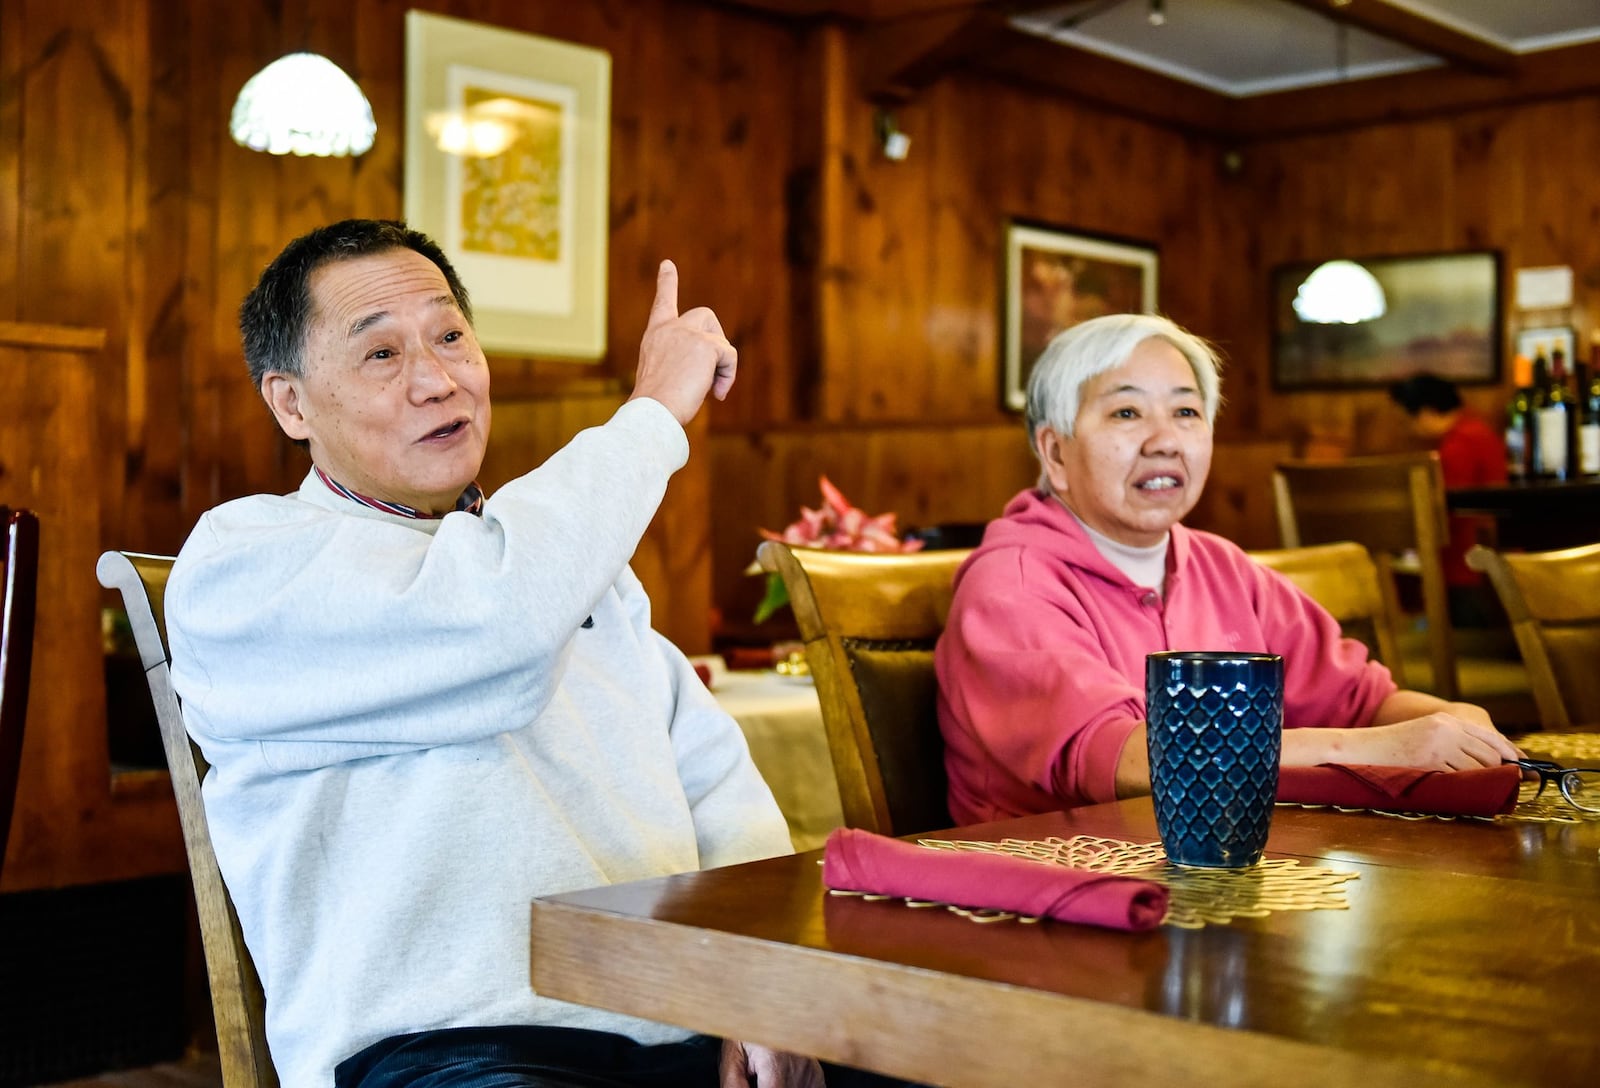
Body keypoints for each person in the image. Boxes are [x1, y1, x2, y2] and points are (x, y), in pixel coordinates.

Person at [164, 219, 839, 1088]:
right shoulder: (246, 564)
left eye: (450, 336)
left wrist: (769, 983)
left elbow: (719, 788)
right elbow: (501, 630)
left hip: (692, 1039)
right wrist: (651, 417)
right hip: (447, 1052)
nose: (438, 380)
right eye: (381, 355)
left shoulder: (558, 558)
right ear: (291, 403)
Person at [934, 314, 1522, 825]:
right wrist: (1390, 749)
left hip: (1213, 875)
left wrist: (1451, 720)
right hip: (1042, 903)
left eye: (1187, 411)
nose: (1165, 440)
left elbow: (1363, 701)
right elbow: (1133, 760)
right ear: (1055, 453)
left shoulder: (1223, 567)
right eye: (1127, 412)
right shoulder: (1011, 585)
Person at [1388, 371, 1508, 625]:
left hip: (1465, 565)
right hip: (1479, 561)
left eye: (1408, 420)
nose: (1409, 428)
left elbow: (1442, 509)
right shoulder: (1477, 431)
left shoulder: (1460, 444)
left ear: (1427, 411)